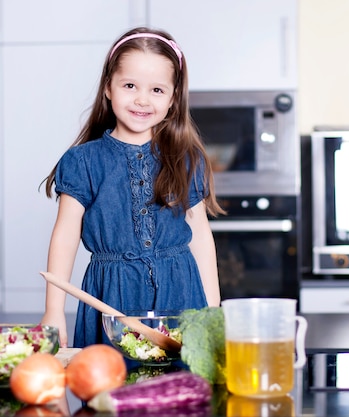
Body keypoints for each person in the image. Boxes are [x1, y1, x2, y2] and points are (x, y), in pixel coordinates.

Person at [41, 27, 224, 348]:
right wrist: (53, 312)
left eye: (156, 89)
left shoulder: (186, 158)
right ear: (108, 88)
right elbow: (66, 235)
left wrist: (212, 311)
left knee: (184, 389)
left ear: (173, 98)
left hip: (182, 293)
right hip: (113, 296)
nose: (142, 99)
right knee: (107, 391)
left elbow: (201, 237)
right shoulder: (83, 160)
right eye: (129, 85)